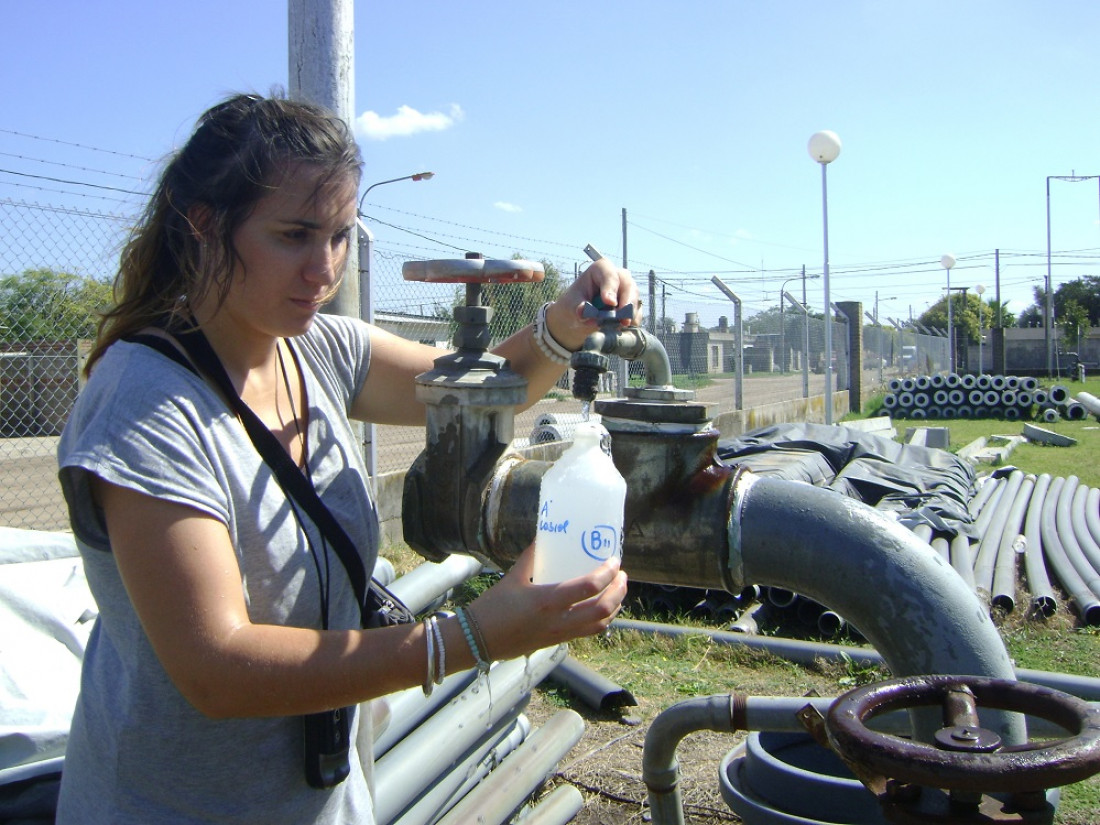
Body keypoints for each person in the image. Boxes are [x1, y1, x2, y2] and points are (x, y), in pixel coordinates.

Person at [56, 92, 635, 824]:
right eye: (294, 235)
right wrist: (471, 635)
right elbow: (217, 670)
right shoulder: (146, 403)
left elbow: (486, 389)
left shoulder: (316, 349)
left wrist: (564, 320)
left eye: (338, 236)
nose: (322, 270)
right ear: (203, 224)